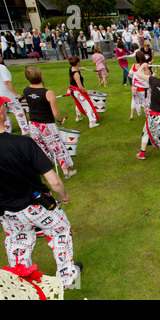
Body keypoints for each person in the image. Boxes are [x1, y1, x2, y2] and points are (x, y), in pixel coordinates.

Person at [0, 98, 82, 289]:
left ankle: (22, 282)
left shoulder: (22, 142)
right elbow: (54, 180)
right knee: (60, 230)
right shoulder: (23, 144)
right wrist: (63, 196)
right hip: (36, 205)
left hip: (7, 210)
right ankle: (67, 278)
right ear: (2, 112)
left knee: (18, 242)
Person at [23, 66, 77, 179]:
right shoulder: (48, 93)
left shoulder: (26, 90)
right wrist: (59, 120)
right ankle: (66, 171)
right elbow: (56, 112)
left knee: (40, 147)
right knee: (57, 146)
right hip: (46, 125)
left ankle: (46, 170)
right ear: (41, 76)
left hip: (33, 125)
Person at [68, 56, 100, 128]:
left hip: (74, 91)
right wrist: (87, 92)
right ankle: (92, 122)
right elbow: (80, 87)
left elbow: (75, 69)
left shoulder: (72, 68)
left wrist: (81, 68)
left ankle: (78, 116)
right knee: (88, 105)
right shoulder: (76, 74)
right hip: (78, 91)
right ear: (78, 62)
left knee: (79, 103)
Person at [0, 58, 29, 135]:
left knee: (4, 112)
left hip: (1, 95)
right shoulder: (2, 67)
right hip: (7, 94)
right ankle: (25, 130)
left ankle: (7, 130)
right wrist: (16, 94)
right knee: (18, 111)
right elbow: (7, 82)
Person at [128, 51, 150, 120]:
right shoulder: (144, 66)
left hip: (134, 87)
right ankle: (148, 117)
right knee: (147, 102)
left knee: (134, 100)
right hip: (143, 88)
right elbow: (148, 77)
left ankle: (131, 115)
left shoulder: (134, 65)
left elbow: (130, 75)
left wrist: (136, 80)